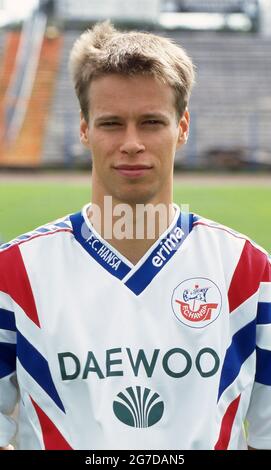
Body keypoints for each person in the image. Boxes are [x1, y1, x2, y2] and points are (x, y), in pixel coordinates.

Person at [0, 21, 270, 451]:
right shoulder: (14, 272)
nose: (131, 143)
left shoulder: (248, 270)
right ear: (85, 129)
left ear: (181, 128)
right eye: (111, 123)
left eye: (150, 122)